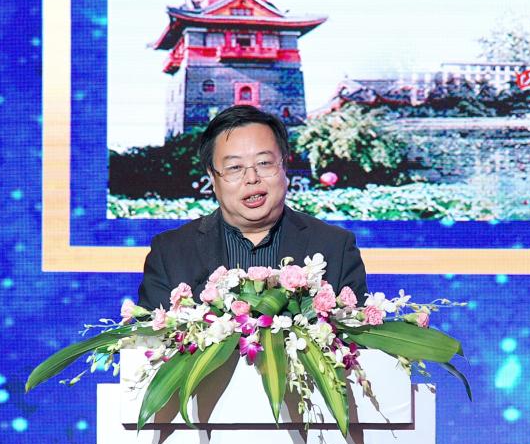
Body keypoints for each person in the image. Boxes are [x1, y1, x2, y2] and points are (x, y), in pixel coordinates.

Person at [137, 106, 369, 310]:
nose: (252, 178)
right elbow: (151, 340)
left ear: (285, 166)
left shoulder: (335, 248)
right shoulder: (170, 252)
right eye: (234, 167)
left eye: (264, 163)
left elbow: (355, 338)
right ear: (212, 177)